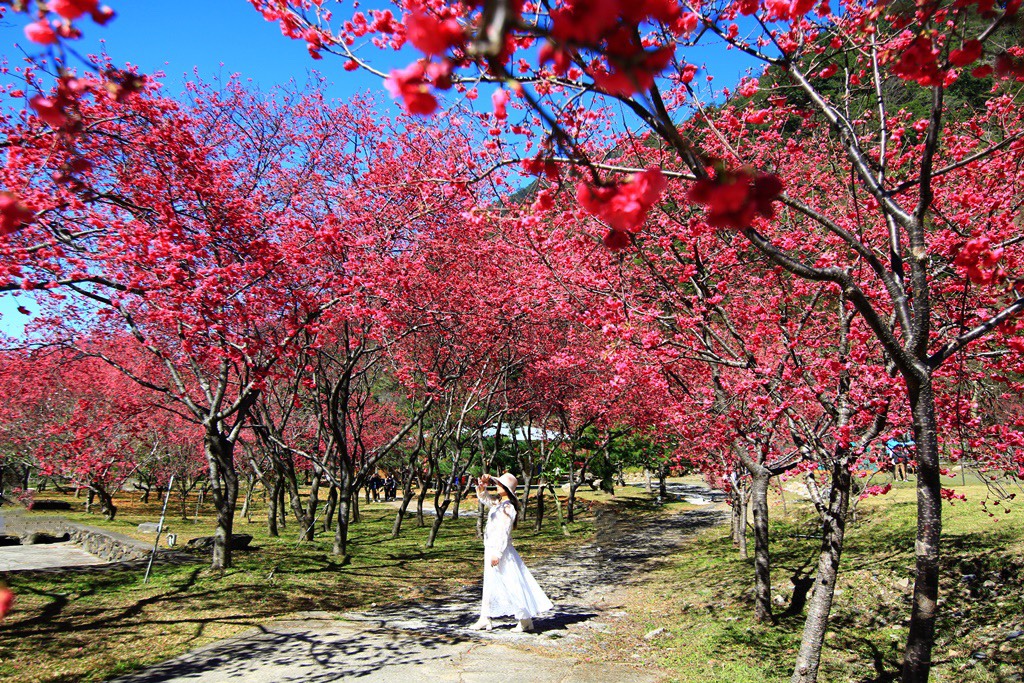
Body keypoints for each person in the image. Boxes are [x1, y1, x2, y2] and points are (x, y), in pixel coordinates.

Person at [470, 472, 553, 633]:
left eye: (500, 485)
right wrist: (482, 487)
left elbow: (504, 532)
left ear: (507, 489)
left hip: (501, 551)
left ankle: (524, 619)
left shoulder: (508, 507)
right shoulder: (499, 503)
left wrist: (498, 553)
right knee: (489, 585)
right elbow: (485, 499)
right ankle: (485, 617)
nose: (497, 486)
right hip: (491, 548)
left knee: (511, 583)